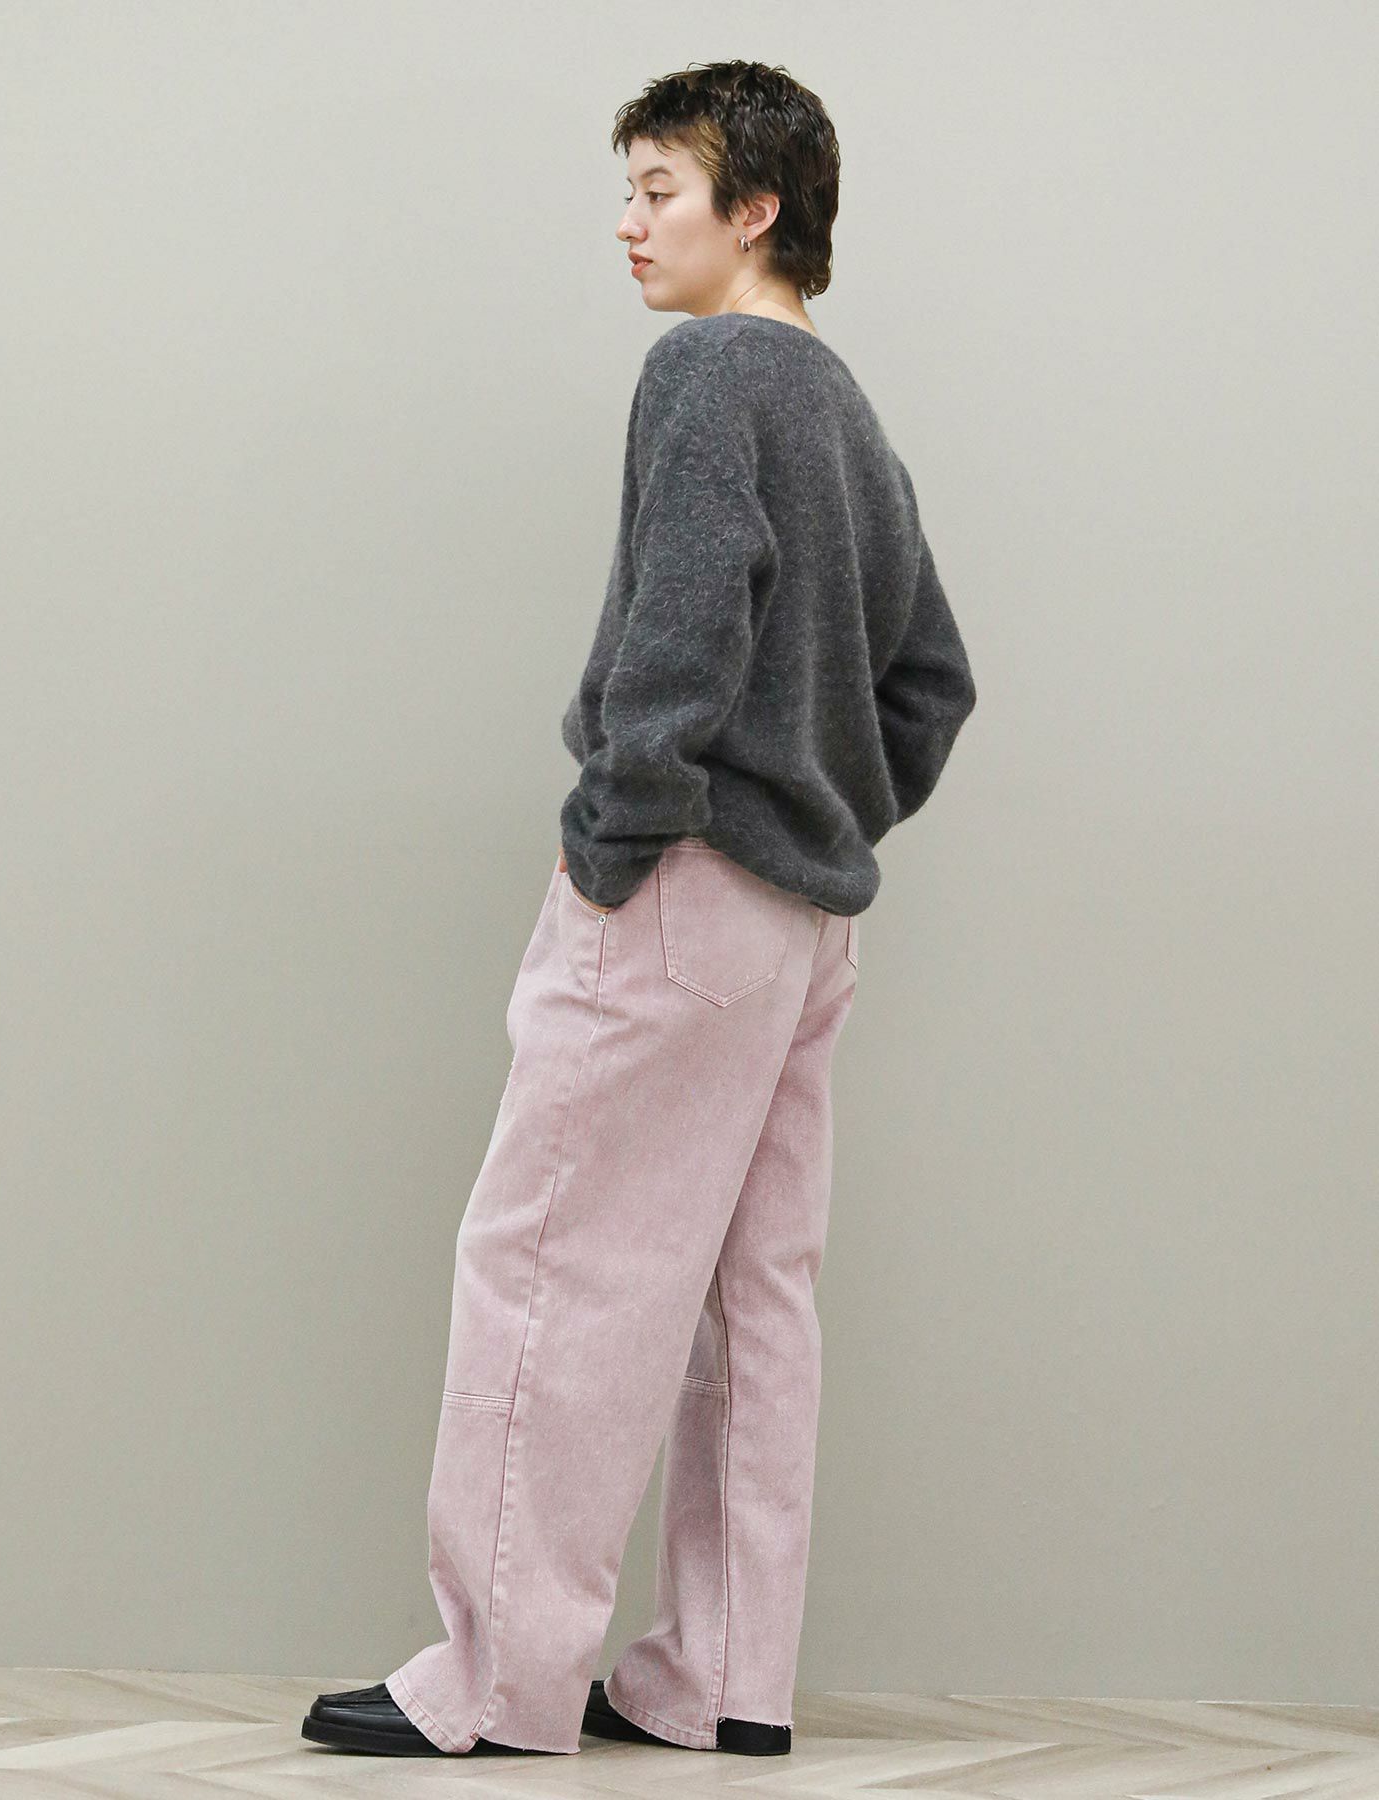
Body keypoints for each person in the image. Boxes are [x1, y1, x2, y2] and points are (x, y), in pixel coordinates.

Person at [302, 58, 977, 1761]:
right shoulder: (849, 416)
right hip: (806, 931)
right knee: (757, 1300)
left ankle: (495, 1685)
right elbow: (932, 686)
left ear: (757, 209)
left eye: (660, 190)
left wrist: (622, 837)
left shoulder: (707, 371)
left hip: (680, 893)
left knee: (554, 1265)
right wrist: (824, 814)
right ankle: (722, 1682)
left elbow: (679, 637)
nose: (629, 222)